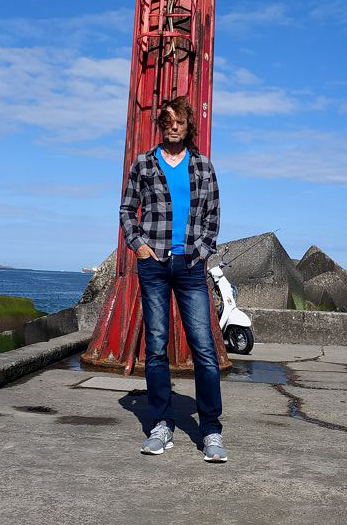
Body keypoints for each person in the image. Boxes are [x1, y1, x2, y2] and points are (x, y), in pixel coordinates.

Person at [119, 95, 227, 462]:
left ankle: (211, 430)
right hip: (153, 266)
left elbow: (213, 217)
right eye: (167, 123)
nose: (173, 128)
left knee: (204, 349)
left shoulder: (203, 166)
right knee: (157, 347)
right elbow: (126, 209)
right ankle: (161, 425)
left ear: (188, 124)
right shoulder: (143, 163)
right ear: (161, 126)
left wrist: (200, 252)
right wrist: (139, 246)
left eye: (179, 122)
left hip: (190, 266)